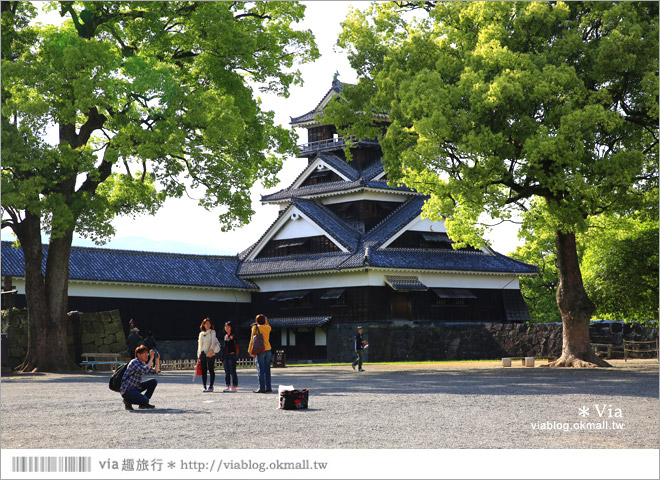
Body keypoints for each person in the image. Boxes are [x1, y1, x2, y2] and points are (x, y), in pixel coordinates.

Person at [121, 344, 160, 410]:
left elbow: (155, 371)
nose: (146, 355)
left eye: (147, 353)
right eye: (144, 353)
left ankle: (143, 404)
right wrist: (151, 358)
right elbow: (144, 369)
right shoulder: (134, 362)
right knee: (145, 400)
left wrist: (157, 360)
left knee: (153, 381)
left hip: (135, 387)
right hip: (127, 390)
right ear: (138, 355)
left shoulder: (143, 364)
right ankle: (128, 401)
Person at [248, 314, 272, 393]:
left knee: (260, 369)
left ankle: (262, 387)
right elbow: (267, 325)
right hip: (268, 349)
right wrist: (266, 321)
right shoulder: (268, 328)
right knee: (267, 369)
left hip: (260, 350)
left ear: (256, 321)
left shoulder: (255, 328)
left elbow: (252, 340)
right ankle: (269, 387)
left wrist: (250, 350)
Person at [197, 318, 218, 392]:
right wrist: (198, 354)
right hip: (203, 353)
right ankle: (204, 386)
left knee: (211, 369)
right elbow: (200, 345)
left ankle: (211, 386)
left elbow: (213, 342)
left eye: (209, 323)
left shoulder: (212, 332)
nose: (207, 325)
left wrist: (212, 351)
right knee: (204, 370)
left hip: (210, 352)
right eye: (206, 323)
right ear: (203, 324)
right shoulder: (201, 334)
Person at [221, 321, 239, 392]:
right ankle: (228, 386)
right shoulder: (225, 336)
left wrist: (233, 338)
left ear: (231, 327)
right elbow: (224, 347)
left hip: (232, 355)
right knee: (227, 372)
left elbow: (237, 342)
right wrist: (222, 357)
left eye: (228, 326)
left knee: (233, 371)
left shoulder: (234, 335)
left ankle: (234, 386)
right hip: (225, 356)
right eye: (225, 326)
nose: (226, 328)